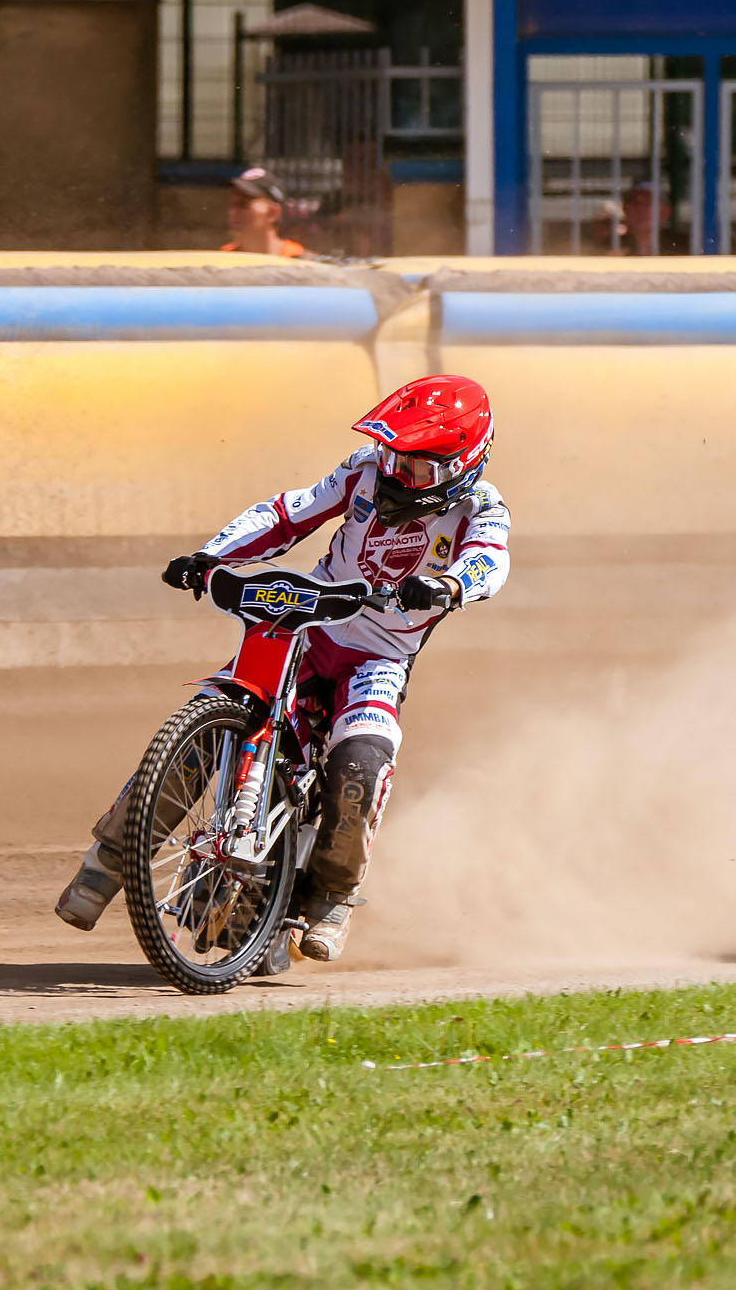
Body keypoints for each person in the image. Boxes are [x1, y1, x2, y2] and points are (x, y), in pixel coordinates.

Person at [54, 375, 512, 962]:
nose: (399, 474)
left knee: (360, 762)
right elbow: (287, 514)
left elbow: (488, 564)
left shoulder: (485, 510)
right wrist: (212, 555)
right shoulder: (364, 471)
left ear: (463, 465)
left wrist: (449, 585)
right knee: (210, 715)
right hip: (305, 625)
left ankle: (332, 897)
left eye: (418, 469)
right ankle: (109, 861)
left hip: (377, 659)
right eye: (394, 457)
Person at [221, 167, 306, 258]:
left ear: (272, 213)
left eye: (243, 204)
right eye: (233, 204)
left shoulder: (302, 263)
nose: (234, 211)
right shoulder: (221, 261)